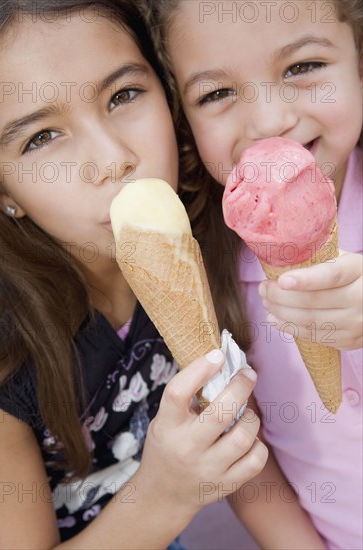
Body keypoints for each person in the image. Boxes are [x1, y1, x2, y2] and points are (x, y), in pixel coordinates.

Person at [0, 1, 269, 548]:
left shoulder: (211, 227)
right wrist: (163, 496)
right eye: (41, 137)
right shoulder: (8, 352)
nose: (114, 158)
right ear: (5, 195)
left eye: (123, 96)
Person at [150, 0, 363, 548]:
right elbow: (246, 451)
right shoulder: (202, 267)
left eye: (302, 67)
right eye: (217, 94)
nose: (271, 122)